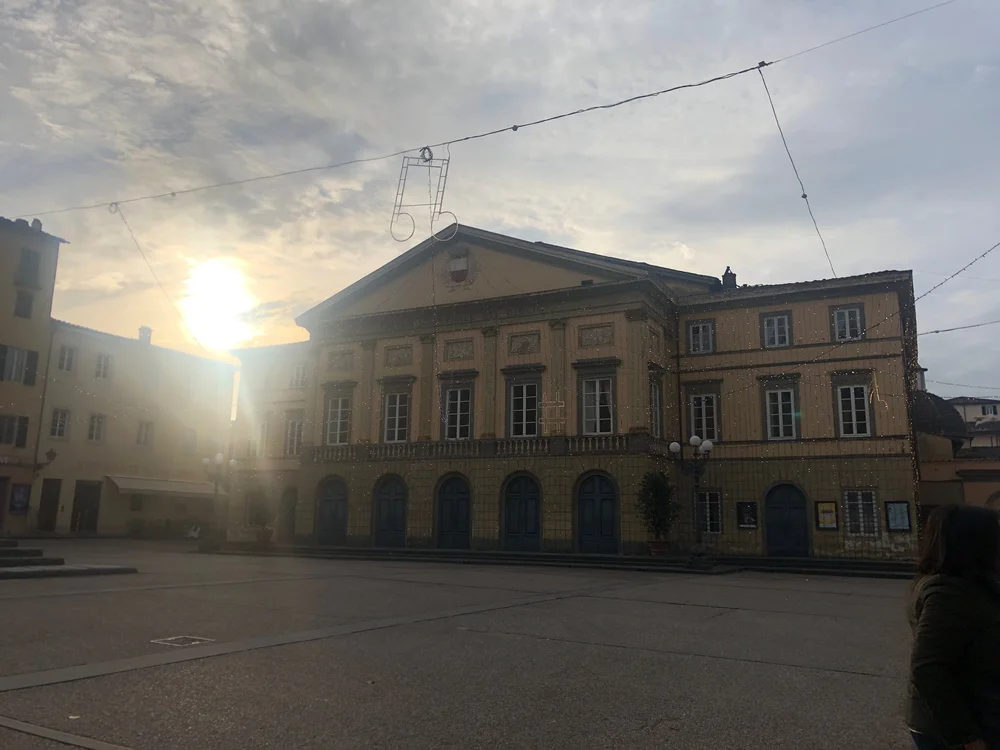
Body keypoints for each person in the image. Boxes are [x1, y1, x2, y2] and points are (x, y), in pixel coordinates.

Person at [908, 504, 1000, 750]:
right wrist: (966, 737)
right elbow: (928, 667)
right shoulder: (947, 592)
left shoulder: (969, 583)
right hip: (960, 726)